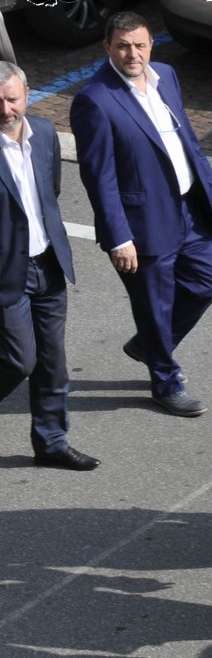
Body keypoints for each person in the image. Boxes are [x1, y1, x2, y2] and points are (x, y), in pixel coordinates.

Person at [70, 12, 212, 417]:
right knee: (154, 305)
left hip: (190, 206)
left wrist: (209, 186)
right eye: (122, 46)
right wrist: (119, 237)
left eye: (139, 45)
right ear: (107, 48)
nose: (132, 54)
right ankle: (165, 381)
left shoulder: (166, 76)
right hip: (143, 222)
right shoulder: (95, 100)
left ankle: (148, 344)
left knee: (207, 282)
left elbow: (186, 135)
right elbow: (99, 177)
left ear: (151, 45)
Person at [0, 61, 94, 470]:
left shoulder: (45, 136)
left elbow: (50, 192)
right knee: (20, 360)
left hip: (48, 265)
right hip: (7, 273)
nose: (5, 109)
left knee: (53, 362)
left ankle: (52, 442)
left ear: (27, 94)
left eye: (12, 99)